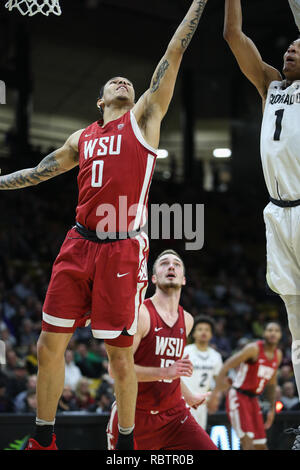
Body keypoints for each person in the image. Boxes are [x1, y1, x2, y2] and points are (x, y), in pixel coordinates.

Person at [0, 0, 210, 450]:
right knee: (47, 343)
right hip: (78, 242)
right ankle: (43, 440)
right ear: (100, 100)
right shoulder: (83, 137)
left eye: (128, 82)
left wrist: (198, 4)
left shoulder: (145, 119)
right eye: (113, 82)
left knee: (120, 356)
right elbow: (39, 170)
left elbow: (172, 53)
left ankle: (128, 443)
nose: (123, 81)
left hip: (122, 249)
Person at [223, 0, 300, 449]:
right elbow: (234, 36)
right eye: (288, 44)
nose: (290, 49)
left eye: (298, 46)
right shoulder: (272, 85)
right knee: (296, 327)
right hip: (277, 212)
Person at [106, 250, 218, 450]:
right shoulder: (140, 314)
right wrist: (166, 372)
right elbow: (115, 371)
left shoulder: (188, 320)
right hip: (133, 416)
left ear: (183, 279)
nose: (171, 266)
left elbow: (170, 368)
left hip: (175, 417)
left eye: (177, 264)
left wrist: (189, 395)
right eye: (164, 263)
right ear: (154, 278)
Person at [211, 322, 282, 450]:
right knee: (248, 444)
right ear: (264, 333)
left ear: (280, 335)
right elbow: (227, 364)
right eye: (270, 330)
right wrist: (216, 393)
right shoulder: (253, 349)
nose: (273, 333)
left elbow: (271, 383)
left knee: (261, 445)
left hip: (254, 400)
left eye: (276, 330)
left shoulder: (278, 355)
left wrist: (272, 408)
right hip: (239, 396)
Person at [181, 315, 223, 430]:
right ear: (193, 333)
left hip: (202, 404)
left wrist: (215, 397)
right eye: (200, 329)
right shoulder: (185, 351)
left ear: (211, 334)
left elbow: (219, 381)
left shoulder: (216, 356)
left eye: (207, 330)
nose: (203, 332)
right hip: (183, 402)